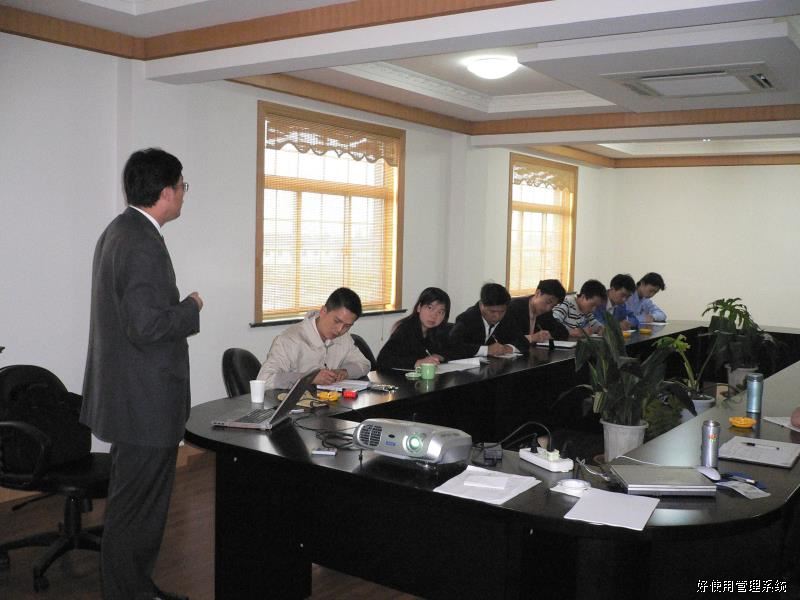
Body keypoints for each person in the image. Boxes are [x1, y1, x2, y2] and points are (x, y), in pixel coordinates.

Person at [81, 148, 202, 600]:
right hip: (145, 404)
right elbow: (147, 326)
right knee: (137, 512)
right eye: (183, 186)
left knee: (133, 509)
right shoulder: (141, 242)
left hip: (132, 398)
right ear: (166, 191)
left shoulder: (120, 230)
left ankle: (133, 588)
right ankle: (129, 593)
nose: (184, 194)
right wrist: (190, 308)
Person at [257, 287, 371, 388]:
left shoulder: (344, 337)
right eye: (337, 321)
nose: (339, 330)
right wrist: (309, 378)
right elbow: (264, 380)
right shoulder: (290, 339)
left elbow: (364, 364)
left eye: (347, 326)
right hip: (296, 404)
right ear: (323, 311)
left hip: (330, 402)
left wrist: (344, 372)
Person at [376, 287, 465, 370]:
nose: (434, 315)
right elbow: (383, 359)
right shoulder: (405, 330)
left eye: (440, 312)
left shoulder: (441, 330)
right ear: (419, 308)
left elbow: (458, 350)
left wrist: (440, 356)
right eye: (430, 308)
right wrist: (417, 363)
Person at [449, 283, 526, 357]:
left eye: (502, 311)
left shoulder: (507, 316)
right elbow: (452, 346)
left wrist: (507, 348)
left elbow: (523, 342)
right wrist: (486, 350)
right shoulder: (466, 319)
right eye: (492, 311)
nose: (497, 316)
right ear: (481, 305)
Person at [507, 279, 569, 344]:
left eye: (553, 306)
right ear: (538, 293)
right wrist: (532, 338)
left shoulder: (546, 313)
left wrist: (549, 335)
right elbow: (507, 336)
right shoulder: (515, 307)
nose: (548, 308)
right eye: (548, 302)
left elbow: (563, 332)